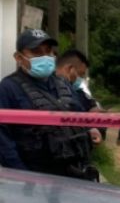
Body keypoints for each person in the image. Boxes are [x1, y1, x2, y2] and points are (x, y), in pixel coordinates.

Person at [0, 29, 99, 181]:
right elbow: (3, 141)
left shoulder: (63, 83)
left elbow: (80, 115)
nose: (45, 57)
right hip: (36, 179)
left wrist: (92, 130)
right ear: (19, 57)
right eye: (36, 52)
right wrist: (23, 178)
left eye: (48, 51)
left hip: (74, 174)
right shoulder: (8, 88)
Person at [55, 48, 105, 144]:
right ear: (70, 69)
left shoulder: (77, 92)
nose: (81, 79)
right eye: (81, 74)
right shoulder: (49, 89)